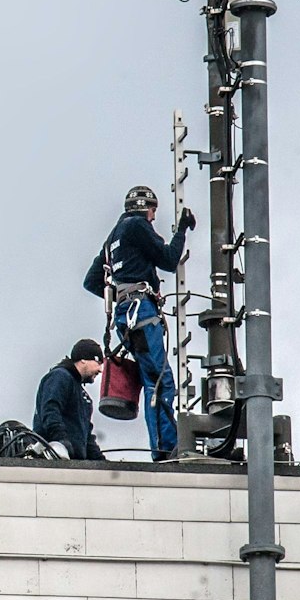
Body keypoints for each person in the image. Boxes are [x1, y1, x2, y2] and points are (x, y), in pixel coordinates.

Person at [82, 185, 194, 460]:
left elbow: (92, 281)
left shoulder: (113, 238)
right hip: (140, 313)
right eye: (153, 211)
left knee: (151, 377)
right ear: (146, 207)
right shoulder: (136, 226)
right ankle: (167, 448)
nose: (154, 218)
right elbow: (168, 260)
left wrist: (121, 293)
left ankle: (164, 445)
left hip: (127, 316)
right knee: (160, 380)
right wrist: (182, 230)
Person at [31, 339, 106, 461]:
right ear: (83, 360)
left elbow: (86, 434)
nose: (101, 369)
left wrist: (101, 462)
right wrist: (61, 442)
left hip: (75, 464)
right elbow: (50, 410)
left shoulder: (85, 397)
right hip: (53, 460)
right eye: (98, 362)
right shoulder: (60, 377)